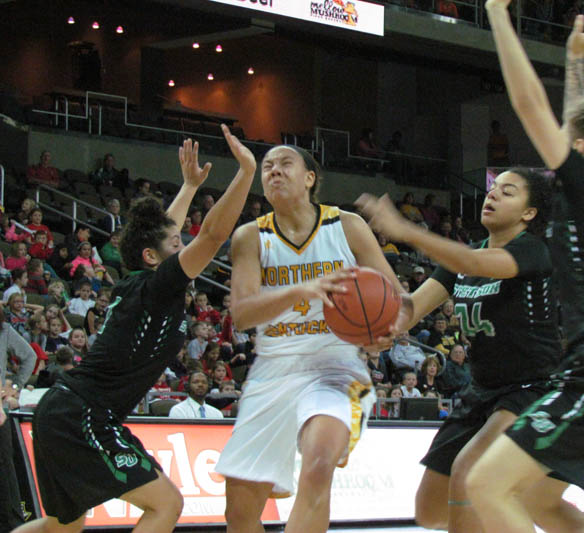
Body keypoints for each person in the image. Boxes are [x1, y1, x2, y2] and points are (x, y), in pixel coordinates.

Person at [461, 3, 584, 532]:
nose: (565, 139)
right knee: (538, 502)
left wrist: (499, 17)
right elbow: (580, 122)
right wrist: (575, 60)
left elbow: (531, 106)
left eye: (574, 140)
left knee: (486, 485)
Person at [13, 126, 255, 533]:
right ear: (152, 257)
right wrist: (245, 173)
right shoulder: (159, 287)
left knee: (62, 528)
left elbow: (160, 233)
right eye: (177, 246)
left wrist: (190, 187)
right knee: (166, 505)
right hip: (84, 414)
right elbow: (212, 235)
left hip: (65, 409)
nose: (183, 248)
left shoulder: (134, 280)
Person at [215, 143, 410, 533]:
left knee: (318, 466)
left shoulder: (347, 225)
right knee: (239, 514)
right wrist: (301, 290)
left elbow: (398, 299)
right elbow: (243, 312)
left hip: (337, 368)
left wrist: (387, 332)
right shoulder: (250, 236)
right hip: (273, 372)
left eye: (286, 163)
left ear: (309, 178)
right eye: (267, 166)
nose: (273, 171)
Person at [358, 165, 560, 533]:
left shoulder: (534, 250)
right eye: (493, 188)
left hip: (533, 390)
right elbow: (411, 309)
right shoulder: (468, 257)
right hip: (480, 392)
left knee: (469, 472)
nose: (493, 194)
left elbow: (472, 263)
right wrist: (375, 327)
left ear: (530, 213)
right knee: (431, 510)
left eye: (508, 191)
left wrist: (407, 230)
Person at [0, 303, 37, 532]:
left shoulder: (5, 331)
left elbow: (29, 356)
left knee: (5, 468)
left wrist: (15, 385)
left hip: (0, 410)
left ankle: (11, 523)